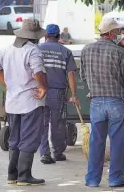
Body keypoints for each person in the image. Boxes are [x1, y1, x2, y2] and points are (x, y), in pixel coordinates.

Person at [0, 19, 47, 185]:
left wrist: (7, 84)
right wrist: (43, 87)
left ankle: (12, 175)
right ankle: (24, 176)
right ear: (35, 37)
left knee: (14, 139)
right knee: (29, 138)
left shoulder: (7, 50)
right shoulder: (33, 51)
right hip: (31, 102)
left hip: (13, 102)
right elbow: (37, 71)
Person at [80, 19, 124, 188]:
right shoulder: (120, 52)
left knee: (96, 141)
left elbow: (83, 76)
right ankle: (115, 179)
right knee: (117, 141)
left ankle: (92, 179)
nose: (118, 35)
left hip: (96, 101)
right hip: (116, 101)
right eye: (116, 32)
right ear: (110, 33)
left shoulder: (86, 50)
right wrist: (121, 90)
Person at [39, 24, 79, 164]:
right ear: (59, 36)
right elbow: (71, 76)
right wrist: (74, 95)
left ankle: (44, 153)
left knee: (42, 123)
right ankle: (58, 152)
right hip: (58, 92)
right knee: (57, 123)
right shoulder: (65, 51)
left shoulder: (37, 50)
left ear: (45, 36)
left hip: (40, 91)